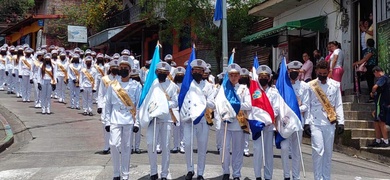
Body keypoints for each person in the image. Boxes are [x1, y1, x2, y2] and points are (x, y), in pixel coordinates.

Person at [304, 60, 345, 180]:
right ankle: (318, 177)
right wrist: (306, 123)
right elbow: (308, 106)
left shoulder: (335, 85)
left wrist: (341, 122)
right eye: (320, 73)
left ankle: (326, 177)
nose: (322, 75)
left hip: (329, 122)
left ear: (328, 72)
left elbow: (339, 105)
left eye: (324, 73)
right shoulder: (311, 85)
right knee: (318, 150)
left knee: (328, 152)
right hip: (315, 122)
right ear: (316, 71)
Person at [104, 59, 142, 180]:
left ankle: (125, 175)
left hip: (129, 119)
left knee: (126, 148)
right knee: (113, 144)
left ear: (130, 70)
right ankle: (116, 172)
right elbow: (107, 103)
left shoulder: (136, 85)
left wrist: (137, 122)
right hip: (115, 118)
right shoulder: (113, 84)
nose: (123, 70)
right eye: (121, 68)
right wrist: (107, 121)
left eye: (126, 68)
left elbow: (139, 105)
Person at [216, 63, 251, 180]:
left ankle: (236, 173)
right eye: (231, 75)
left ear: (239, 76)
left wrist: (235, 105)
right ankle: (226, 171)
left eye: (236, 75)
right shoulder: (223, 89)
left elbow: (248, 104)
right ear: (228, 76)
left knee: (238, 150)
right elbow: (218, 103)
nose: (233, 77)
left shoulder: (244, 89)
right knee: (224, 148)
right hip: (225, 122)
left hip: (238, 123)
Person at [181, 59, 215, 180]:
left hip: (202, 119)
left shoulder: (209, 86)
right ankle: (190, 170)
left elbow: (212, 103)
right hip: (189, 119)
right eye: (195, 70)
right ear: (192, 71)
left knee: (202, 146)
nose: (197, 72)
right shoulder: (187, 85)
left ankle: (200, 172)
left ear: (203, 72)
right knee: (188, 145)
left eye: (200, 71)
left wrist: (201, 101)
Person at [146, 62, 179, 180]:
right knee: (151, 144)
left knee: (165, 146)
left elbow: (175, 102)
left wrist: (163, 104)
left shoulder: (172, 86)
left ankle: (164, 173)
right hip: (153, 119)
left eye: (164, 73)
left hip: (166, 119)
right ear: (156, 73)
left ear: (168, 74)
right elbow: (145, 100)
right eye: (160, 72)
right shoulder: (151, 85)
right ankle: (153, 171)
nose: (162, 75)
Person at [283, 61, 310, 180]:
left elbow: (306, 105)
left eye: (296, 71)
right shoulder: (284, 85)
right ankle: (286, 175)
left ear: (299, 72)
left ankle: (296, 175)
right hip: (285, 122)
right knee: (284, 148)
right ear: (288, 71)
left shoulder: (304, 86)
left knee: (296, 150)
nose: (294, 73)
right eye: (291, 71)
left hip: (298, 121)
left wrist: (296, 108)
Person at [254, 65, 280, 180]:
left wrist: (268, 119)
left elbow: (276, 109)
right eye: (261, 76)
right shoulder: (255, 92)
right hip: (257, 127)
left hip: (269, 126)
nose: (263, 78)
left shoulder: (274, 92)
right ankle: (258, 176)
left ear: (269, 78)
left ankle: (268, 176)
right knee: (257, 151)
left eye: (265, 77)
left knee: (268, 152)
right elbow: (253, 107)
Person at [97, 59, 120, 154]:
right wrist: (99, 105)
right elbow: (101, 93)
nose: (115, 69)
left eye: (116, 67)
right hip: (106, 105)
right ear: (110, 68)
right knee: (106, 125)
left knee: (117, 126)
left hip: (117, 106)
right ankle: (106, 146)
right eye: (113, 67)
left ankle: (117, 145)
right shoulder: (104, 79)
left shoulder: (120, 79)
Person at [367, 66, 389, 147]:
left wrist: (372, 93)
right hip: (381, 102)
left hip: (381, 102)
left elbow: (375, 87)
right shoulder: (387, 78)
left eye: (374, 74)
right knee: (376, 121)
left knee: (381, 121)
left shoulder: (383, 78)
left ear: (376, 71)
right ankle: (378, 140)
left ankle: (386, 141)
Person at [171, 66, 186, 154]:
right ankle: (175, 145)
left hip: (183, 108)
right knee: (176, 126)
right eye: (178, 75)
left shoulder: (186, 85)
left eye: (181, 75)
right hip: (175, 108)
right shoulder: (172, 85)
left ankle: (182, 145)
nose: (180, 76)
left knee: (183, 127)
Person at [238, 68, 251, 157]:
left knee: (246, 132)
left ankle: (246, 149)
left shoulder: (249, 88)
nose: (243, 79)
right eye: (242, 77)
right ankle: (239, 148)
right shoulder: (236, 87)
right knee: (238, 132)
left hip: (246, 113)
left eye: (245, 77)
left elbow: (249, 103)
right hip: (236, 113)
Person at [130, 68, 142, 154]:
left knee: (138, 129)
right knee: (129, 129)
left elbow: (140, 98)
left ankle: (137, 147)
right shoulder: (129, 84)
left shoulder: (139, 85)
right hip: (129, 109)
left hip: (137, 108)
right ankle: (130, 147)